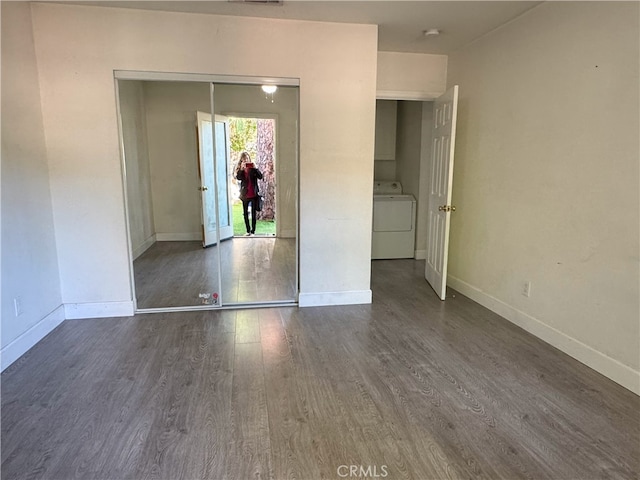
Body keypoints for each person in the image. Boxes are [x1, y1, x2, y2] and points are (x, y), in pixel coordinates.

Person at [235, 152, 263, 236]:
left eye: (247, 158)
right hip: (245, 195)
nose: (245, 160)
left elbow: (260, 176)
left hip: (253, 194)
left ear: (249, 159)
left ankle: (253, 231)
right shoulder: (241, 169)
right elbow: (238, 178)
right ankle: (248, 231)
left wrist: (256, 168)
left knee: (254, 214)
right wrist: (241, 170)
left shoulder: (253, 168)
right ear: (241, 160)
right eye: (244, 159)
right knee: (245, 213)